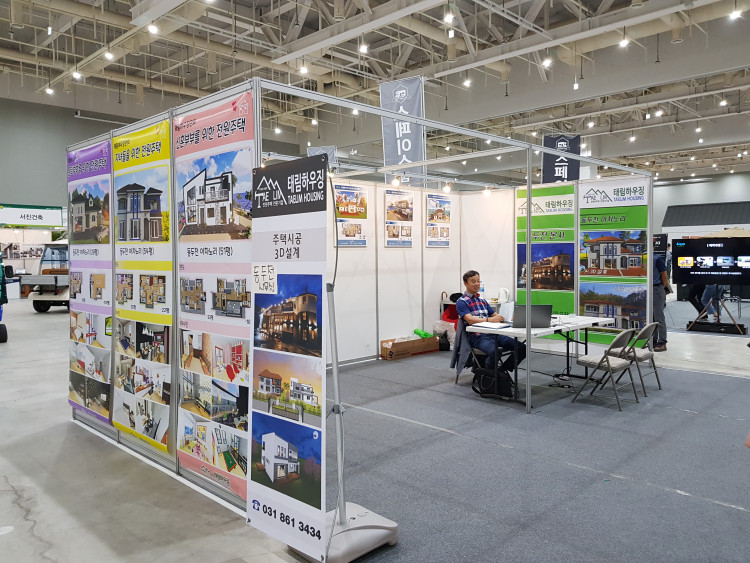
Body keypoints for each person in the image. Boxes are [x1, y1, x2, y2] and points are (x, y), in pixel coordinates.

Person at [455, 270, 526, 373]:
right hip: (477, 336)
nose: (477, 284)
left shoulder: (482, 301)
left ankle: (501, 372)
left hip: (493, 333)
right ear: (465, 283)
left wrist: (502, 317)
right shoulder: (462, 302)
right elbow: (470, 320)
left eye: (478, 281)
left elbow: (494, 314)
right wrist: (490, 320)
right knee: (495, 352)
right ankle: (488, 376)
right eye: (473, 281)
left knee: (522, 348)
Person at [652, 252, 669, 351]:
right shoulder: (644, 258)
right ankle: (653, 340)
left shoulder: (657, 259)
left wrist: (661, 287)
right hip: (647, 289)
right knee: (651, 317)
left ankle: (662, 341)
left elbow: (664, 275)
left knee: (659, 316)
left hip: (656, 288)